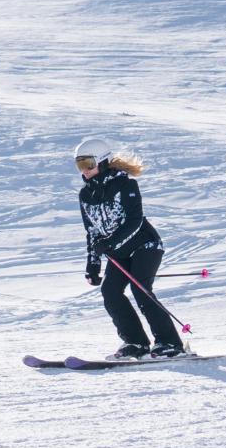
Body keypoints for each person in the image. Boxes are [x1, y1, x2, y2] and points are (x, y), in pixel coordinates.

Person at [73, 137, 187, 359]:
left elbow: (134, 221)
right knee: (110, 292)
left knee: (139, 288)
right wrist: (92, 266)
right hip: (119, 253)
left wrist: (111, 243)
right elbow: (93, 232)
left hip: (146, 244)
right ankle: (135, 342)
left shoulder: (125, 184)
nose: (84, 170)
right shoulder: (85, 195)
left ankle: (170, 342)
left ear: (103, 161)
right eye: (79, 165)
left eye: (88, 164)